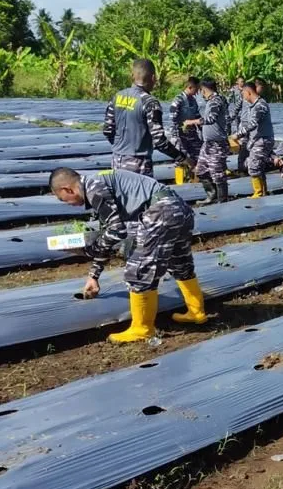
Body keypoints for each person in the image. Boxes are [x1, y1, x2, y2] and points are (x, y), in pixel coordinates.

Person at [49, 167, 207, 343]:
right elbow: (108, 230)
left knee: (138, 271)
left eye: (65, 200)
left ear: (67, 189)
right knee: (179, 262)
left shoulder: (93, 187)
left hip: (160, 212)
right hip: (178, 209)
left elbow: (116, 231)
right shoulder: (99, 182)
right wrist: (94, 276)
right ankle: (197, 312)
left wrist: (91, 248)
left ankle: (142, 329)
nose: (69, 204)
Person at [102, 59, 191, 178]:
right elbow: (159, 140)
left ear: (132, 76)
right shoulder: (150, 102)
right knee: (141, 195)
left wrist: (122, 146)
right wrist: (181, 157)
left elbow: (107, 130)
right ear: (153, 78)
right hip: (139, 164)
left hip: (116, 160)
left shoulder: (117, 97)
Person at [231, 82, 275, 198]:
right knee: (258, 166)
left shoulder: (260, 105)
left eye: (243, 93)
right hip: (258, 139)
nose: (243, 96)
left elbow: (252, 124)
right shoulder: (254, 105)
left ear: (248, 92)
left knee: (253, 165)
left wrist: (238, 134)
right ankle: (263, 192)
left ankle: (258, 193)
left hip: (263, 140)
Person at [190, 79, 230, 206]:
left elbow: (211, 119)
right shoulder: (211, 101)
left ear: (204, 89)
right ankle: (211, 195)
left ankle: (222, 200)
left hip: (217, 144)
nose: (201, 94)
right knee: (200, 170)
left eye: (201, 91)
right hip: (207, 144)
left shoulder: (216, 101)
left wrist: (193, 122)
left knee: (217, 173)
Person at [168, 76, 202, 185]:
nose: (198, 91)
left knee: (198, 156)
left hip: (192, 133)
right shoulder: (179, 99)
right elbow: (172, 117)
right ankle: (180, 184)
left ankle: (195, 181)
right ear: (190, 87)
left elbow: (197, 115)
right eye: (196, 88)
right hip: (179, 134)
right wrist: (177, 133)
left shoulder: (193, 100)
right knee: (181, 159)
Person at [226, 76, 245, 141]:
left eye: (243, 81)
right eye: (241, 81)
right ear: (237, 82)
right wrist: (225, 108)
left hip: (244, 111)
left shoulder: (246, 89)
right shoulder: (234, 89)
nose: (243, 83)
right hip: (237, 112)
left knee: (243, 127)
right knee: (237, 126)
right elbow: (229, 99)